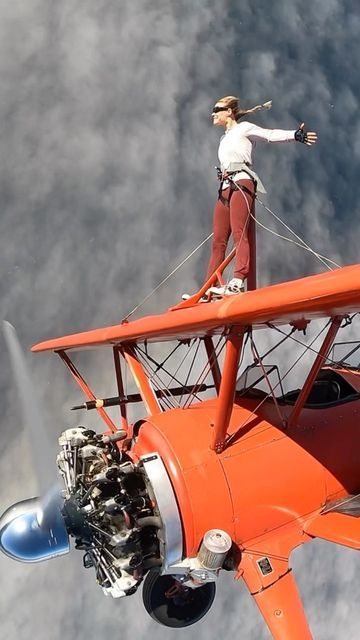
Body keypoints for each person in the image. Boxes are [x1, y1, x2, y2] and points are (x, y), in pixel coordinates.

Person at [202, 95, 318, 297]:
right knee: (218, 241)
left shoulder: (243, 128)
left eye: (217, 109)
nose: (213, 113)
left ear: (229, 111)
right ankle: (208, 290)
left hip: (241, 182)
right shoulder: (223, 138)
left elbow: (269, 135)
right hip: (225, 187)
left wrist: (295, 135)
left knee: (240, 232)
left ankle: (238, 280)